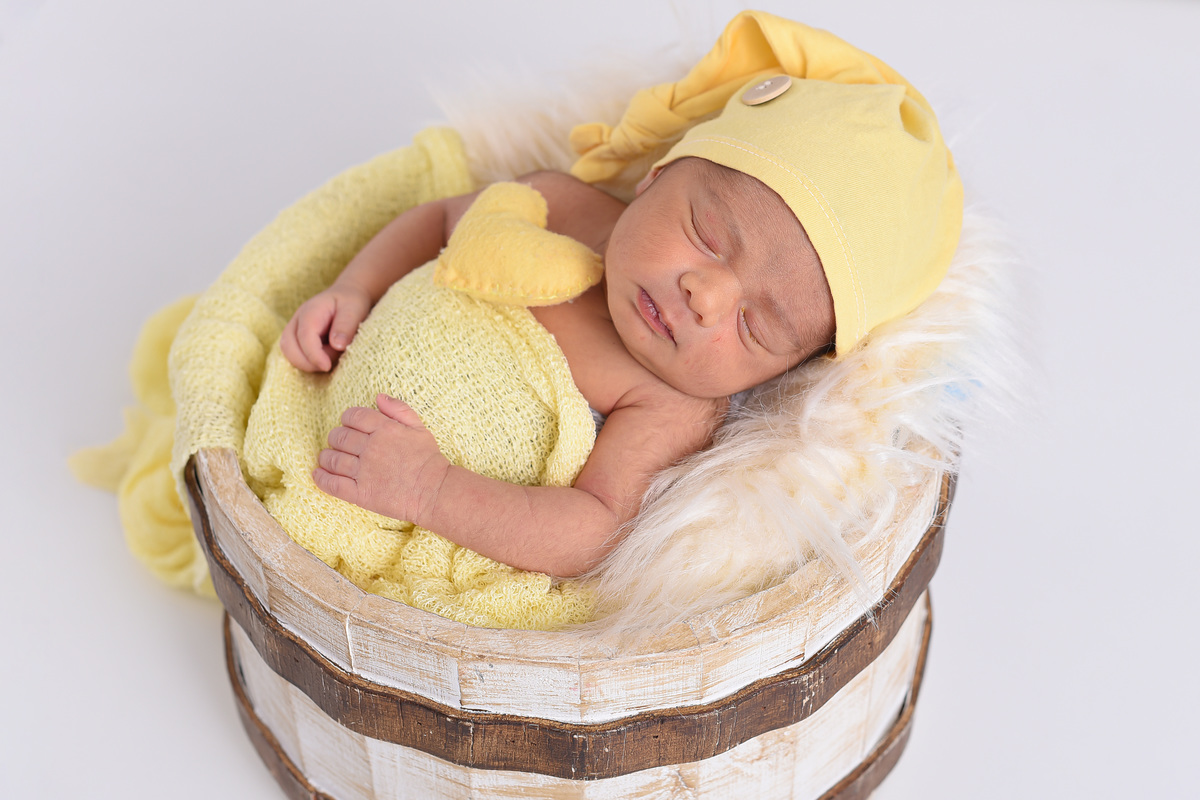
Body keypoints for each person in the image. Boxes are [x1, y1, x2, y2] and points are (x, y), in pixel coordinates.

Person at [278, 9, 963, 580]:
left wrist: (432, 490)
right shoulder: (561, 205)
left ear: (783, 372)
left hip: (416, 512)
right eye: (708, 236)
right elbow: (440, 220)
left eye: (755, 327)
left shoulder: (673, 405)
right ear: (655, 176)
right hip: (328, 414)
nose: (705, 297)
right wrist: (354, 288)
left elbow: (590, 532)